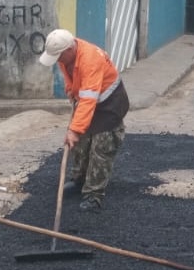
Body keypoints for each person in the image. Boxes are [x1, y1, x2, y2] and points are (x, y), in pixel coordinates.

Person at [39, 29, 129, 213]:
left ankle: (94, 194)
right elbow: (71, 78)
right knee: (80, 143)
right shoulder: (65, 56)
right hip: (88, 99)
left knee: (101, 147)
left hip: (110, 103)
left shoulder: (90, 60)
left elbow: (89, 99)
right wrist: (71, 92)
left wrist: (74, 129)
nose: (57, 61)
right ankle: (79, 180)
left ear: (69, 49)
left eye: (59, 56)